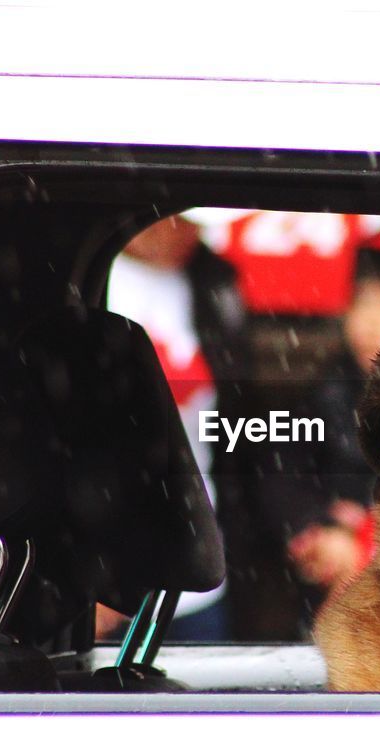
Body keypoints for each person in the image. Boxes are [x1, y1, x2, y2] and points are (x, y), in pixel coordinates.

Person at [224, 221, 380, 639]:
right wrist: (316, 528)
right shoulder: (333, 391)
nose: (370, 321)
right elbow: (279, 466)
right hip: (340, 625)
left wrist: (367, 547)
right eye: (361, 299)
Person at [103, 212, 249, 641]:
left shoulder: (213, 281)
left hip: (197, 576)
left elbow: (235, 420)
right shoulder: (87, 277)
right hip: (113, 587)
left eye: (196, 224)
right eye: (177, 221)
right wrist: (91, 572)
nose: (187, 234)